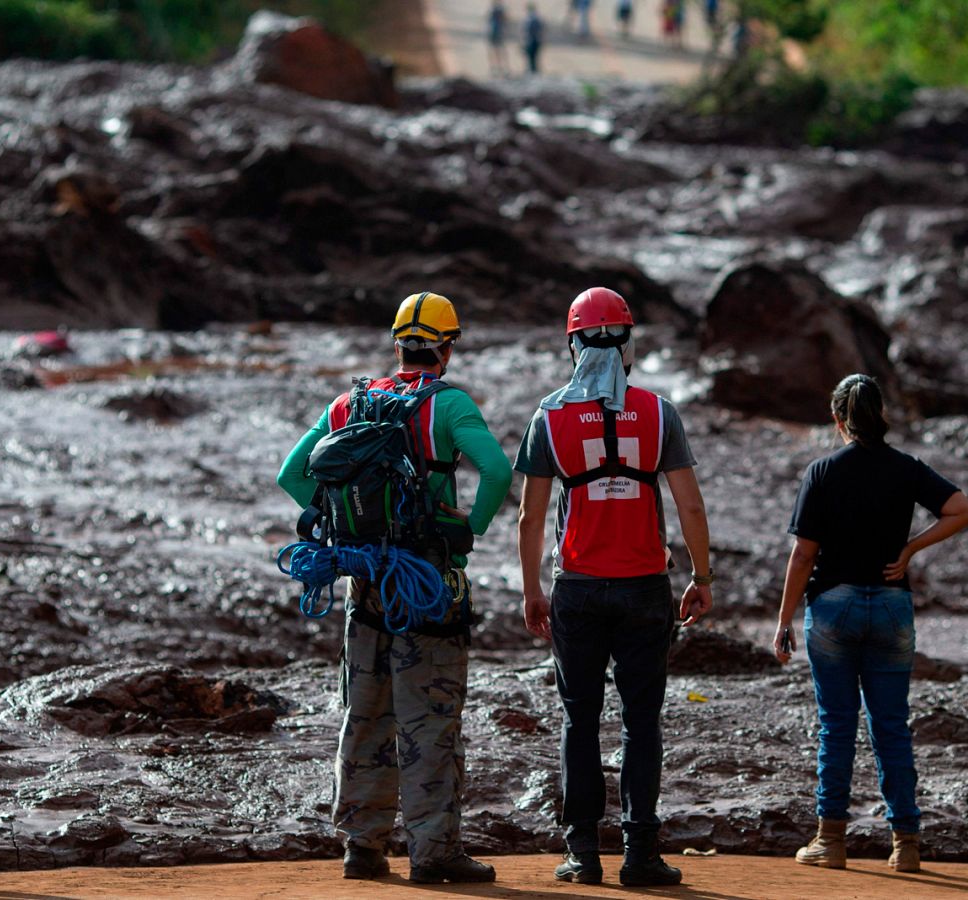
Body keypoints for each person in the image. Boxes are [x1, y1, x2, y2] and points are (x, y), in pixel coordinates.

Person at [276, 293, 511, 884]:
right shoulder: (449, 406)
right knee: (429, 718)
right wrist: (467, 528)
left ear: (398, 343)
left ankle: (363, 846)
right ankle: (433, 853)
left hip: (365, 584)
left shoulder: (348, 404)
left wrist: (340, 529)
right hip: (428, 583)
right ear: (447, 347)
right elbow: (498, 470)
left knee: (365, 711)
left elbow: (291, 475)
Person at [515, 287, 713, 887]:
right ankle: (641, 855)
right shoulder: (659, 414)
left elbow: (528, 517)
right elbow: (690, 508)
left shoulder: (549, 416)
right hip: (645, 589)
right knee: (642, 720)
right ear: (628, 344)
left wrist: (531, 591)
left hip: (576, 589)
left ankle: (582, 854)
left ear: (572, 344)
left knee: (579, 718)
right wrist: (702, 577)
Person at [771, 374, 968, 874]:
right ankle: (905, 843)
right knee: (891, 727)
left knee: (835, 726)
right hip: (890, 605)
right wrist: (910, 548)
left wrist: (783, 621)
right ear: (881, 414)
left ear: (839, 420)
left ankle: (830, 841)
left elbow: (803, 555)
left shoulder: (822, 471)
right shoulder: (905, 468)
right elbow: (962, 509)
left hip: (833, 607)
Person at [487, 1, 511, 75]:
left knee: (497, 51)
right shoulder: (498, 10)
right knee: (499, 51)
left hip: (495, 32)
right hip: (497, 32)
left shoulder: (494, 10)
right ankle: (500, 68)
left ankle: (498, 68)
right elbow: (505, 21)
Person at [524, 5, 546, 74]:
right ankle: (533, 70)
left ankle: (533, 71)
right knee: (532, 57)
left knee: (532, 57)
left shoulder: (531, 19)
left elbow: (527, 30)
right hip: (534, 40)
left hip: (532, 40)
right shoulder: (536, 18)